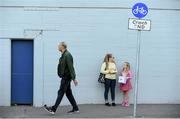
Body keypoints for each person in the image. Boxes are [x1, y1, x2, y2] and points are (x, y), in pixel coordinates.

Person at [44, 42, 79, 115]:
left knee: (60, 92)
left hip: (66, 77)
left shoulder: (67, 55)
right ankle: (75, 108)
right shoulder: (64, 55)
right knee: (68, 93)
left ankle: (53, 109)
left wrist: (74, 78)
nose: (58, 47)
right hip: (65, 76)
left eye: (59, 46)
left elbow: (71, 67)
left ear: (62, 46)